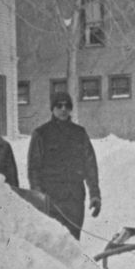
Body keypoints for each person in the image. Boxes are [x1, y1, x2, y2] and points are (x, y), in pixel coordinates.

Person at [27, 91, 101, 240]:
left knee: (73, 242)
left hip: (74, 199)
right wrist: (38, 196)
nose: (63, 109)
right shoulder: (41, 134)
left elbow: (90, 165)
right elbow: (34, 168)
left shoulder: (79, 133)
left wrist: (95, 194)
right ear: (52, 109)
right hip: (51, 199)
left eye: (67, 106)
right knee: (54, 244)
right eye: (59, 106)